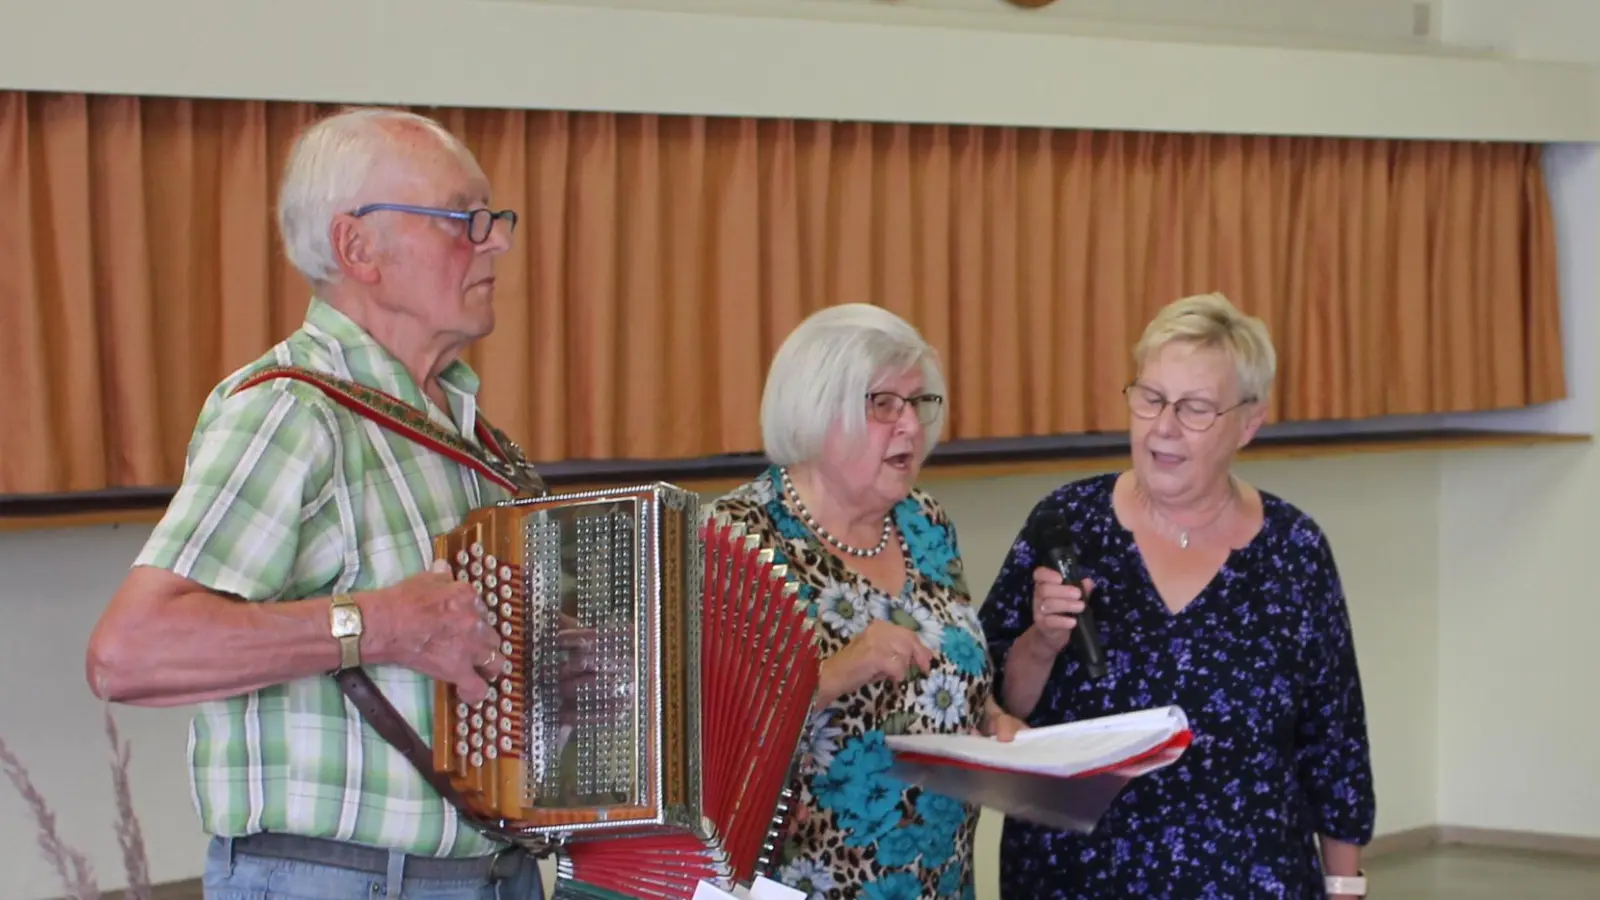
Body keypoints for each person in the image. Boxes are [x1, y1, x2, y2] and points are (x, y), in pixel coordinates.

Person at [84, 107, 547, 899]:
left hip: (490, 873)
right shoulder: (294, 412)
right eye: (461, 220)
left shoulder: (477, 442)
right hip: (341, 881)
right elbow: (130, 651)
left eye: (494, 219)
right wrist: (381, 625)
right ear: (357, 248)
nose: (494, 240)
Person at [978, 292, 1377, 899]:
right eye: (1151, 397)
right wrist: (1042, 641)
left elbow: (1335, 741)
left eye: (1194, 409)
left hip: (1252, 880)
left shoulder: (1295, 549)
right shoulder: (1065, 524)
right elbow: (998, 705)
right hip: (1074, 880)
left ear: (1249, 422)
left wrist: (1345, 888)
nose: (1163, 427)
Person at [705, 303, 1025, 900]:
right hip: (805, 880)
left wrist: (988, 716)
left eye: (919, 403)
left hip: (940, 878)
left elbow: (954, 664)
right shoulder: (737, 535)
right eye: (884, 405)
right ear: (817, 408)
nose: (910, 426)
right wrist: (831, 674)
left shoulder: (926, 523)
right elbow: (695, 736)